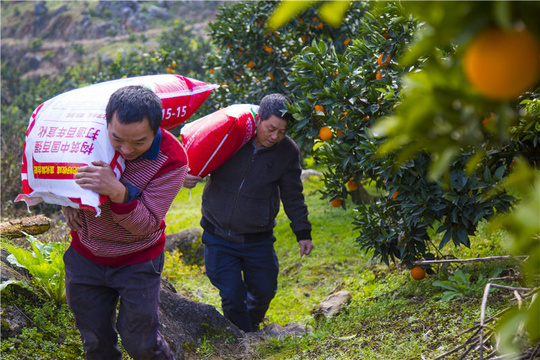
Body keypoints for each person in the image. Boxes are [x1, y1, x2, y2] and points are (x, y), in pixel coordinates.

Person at [62, 85, 188, 360]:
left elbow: (148, 223)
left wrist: (118, 191)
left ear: (157, 130)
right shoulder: (87, 135)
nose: (127, 149)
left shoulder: (173, 159)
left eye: (139, 142)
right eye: (117, 139)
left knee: (142, 345)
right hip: (86, 255)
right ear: (106, 122)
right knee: (96, 343)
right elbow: (63, 171)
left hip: (137, 260)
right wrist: (66, 200)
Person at [183, 93, 314, 333]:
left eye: (282, 132)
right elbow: (197, 156)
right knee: (232, 293)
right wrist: (185, 174)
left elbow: (293, 195)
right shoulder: (231, 138)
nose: (275, 137)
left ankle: (251, 325)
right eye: (271, 128)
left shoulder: (287, 152)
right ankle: (243, 336)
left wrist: (303, 232)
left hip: (258, 238)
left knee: (264, 289)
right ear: (259, 119)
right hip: (218, 234)